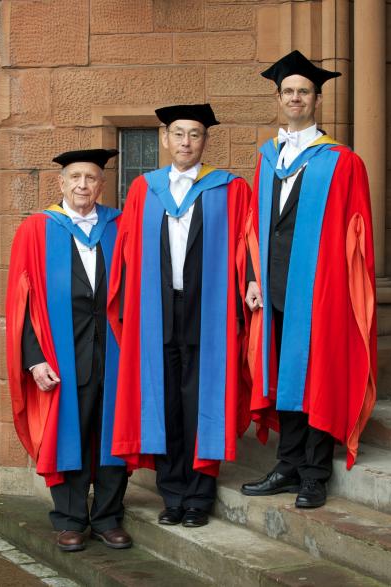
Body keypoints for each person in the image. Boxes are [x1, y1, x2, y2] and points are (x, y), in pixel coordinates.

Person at [241, 51, 376, 508]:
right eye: (288, 92)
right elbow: (254, 227)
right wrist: (253, 278)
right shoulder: (266, 158)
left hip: (321, 291)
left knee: (318, 376)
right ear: (278, 98)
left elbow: (357, 234)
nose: (295, 98)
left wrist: (343, 290)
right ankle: (288, 464)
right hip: (274, 288)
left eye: (303, 91)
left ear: (317, 98)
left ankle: (314, 474)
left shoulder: (342, 161)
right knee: (283, 376)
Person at [108, 104, 251, 527]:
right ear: (165, 140)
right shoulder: (144, 189)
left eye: (195, 134)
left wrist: (251, 284)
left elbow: (246, 245)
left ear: (205, 141)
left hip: (208, 310)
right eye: (178, 133)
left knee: (201, 398)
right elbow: (128, 251)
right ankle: (172, 494)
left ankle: (199, 496)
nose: (186, 142)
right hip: (157, 308)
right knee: (166, 398)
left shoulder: (227, 187)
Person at [6, 149, 132, 551]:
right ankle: (71, 519)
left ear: (101, 185)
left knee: (113, 434)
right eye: (75, 177)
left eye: (91, 178)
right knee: (69, 433)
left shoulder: (118, 226)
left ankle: (110, 517)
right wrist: (34, 358)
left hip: (114, 350)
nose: (82, 185)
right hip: (62, 353)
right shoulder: (37, 229)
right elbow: (21, 301)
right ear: (60, 184)